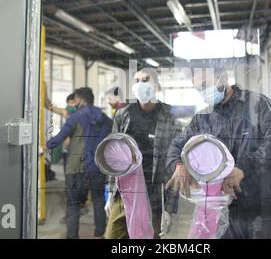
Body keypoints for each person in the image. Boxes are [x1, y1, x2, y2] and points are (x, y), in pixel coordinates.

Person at [166, 60, 271, 239]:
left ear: (224, 78)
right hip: (223, 215)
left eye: (205, 84)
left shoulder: (257, 105)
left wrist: (244, 167)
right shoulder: (202, 118)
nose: (203, 92)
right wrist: (178, 165)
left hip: (263, 211)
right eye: (199, 89)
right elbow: (177, 145)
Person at [105, 68, 180, 239]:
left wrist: (169, 208)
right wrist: (110, 192)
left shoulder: (169, 116)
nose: (140, 85)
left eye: (146, 80)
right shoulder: (123, 114)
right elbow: (113, 155)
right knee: (112, 236)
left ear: (157, 86)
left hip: (153, 192)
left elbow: (174, 163)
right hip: (124, 189)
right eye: (137, 80)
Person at [47, 87, 112, 239]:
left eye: (75, 99)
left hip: (77, 167)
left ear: (80, 99)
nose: (73, 102)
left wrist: (45, 145)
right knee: (98, 200)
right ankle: (99, 233)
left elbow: (60, 137)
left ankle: (72, 236)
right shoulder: (105, 118)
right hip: (98, 166)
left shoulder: (76, 117)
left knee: (73, 203)